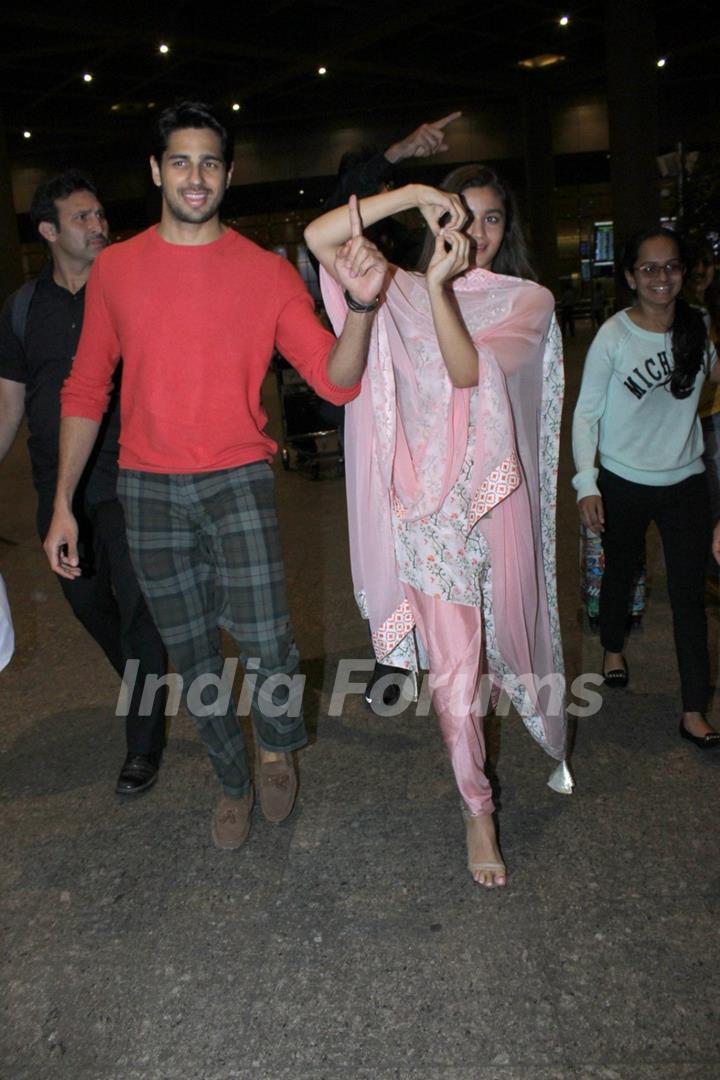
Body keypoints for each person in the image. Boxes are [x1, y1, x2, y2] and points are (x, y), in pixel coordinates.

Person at [43, 103, 386, 850]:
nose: (194, 177)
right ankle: (231, 778)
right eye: (180, 161)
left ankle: (273, 747)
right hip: (147, 486)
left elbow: (335, 383)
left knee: (267, 642)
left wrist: (360, 307)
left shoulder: (263, 274)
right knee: (191, 651)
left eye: (208, 163)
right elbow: (85, 387)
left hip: (237, 477)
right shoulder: (117, 269)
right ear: (156, 171)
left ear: (227, 176)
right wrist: (64, 502)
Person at [305, 165, 571, 888]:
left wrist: (434, 290)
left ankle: (521, 749)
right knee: (457, 674)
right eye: (460, 216)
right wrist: (410, 197)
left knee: (502, 647)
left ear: (507, 230)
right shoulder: (397, 286)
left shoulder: (528, 301)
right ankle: (476, 809)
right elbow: (318, 234)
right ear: (437, 224)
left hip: (491, 502)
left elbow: (467, 374)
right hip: (425, 517)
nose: (475, 234)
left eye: (490, 219)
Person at [0, 171, 167, 796]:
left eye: (101, 215)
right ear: (48, 230)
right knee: (88, 604)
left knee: (139, 616)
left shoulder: (129, 293)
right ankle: (147, 688)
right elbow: (8, 407)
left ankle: (141, 747)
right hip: (60, 489)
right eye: (82, 218)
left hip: (134, 477)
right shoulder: (22, 310)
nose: (98, 226)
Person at [572, 226, 720, 748]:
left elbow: (713, 391)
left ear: (685, 271)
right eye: (650, 268)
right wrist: (586, 483)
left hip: (686, 483)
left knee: (688, 599)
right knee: (621, 573)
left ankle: (694, 709)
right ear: (632, 276)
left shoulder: (699, 327)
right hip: (623, 480)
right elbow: (586, 413)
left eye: (672, 266)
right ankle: (613, 647)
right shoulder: (615, 335)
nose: (662, 277)